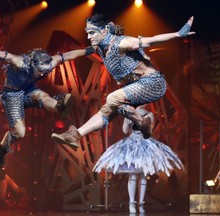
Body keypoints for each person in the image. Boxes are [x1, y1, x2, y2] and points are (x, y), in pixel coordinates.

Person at [51, 14, 195, 149]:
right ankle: (76, 135)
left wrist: (177, 34)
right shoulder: (99, 48)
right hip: (134, 87)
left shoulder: (122, 43)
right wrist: (60, 58)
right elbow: (79, 52)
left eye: (92, 32)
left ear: (104, 30)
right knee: (108, 110)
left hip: (153, 83)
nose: (88, 36)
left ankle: (144, 125)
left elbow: (151, 40)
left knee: (113, 98)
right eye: (87, 32)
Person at [0, 41, 94, 168]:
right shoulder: (19, 62)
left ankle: (58, 104)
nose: (42, 73)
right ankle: (1, 148)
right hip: (12, 95)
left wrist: (87, 51)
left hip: (30, 91)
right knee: (20, 133)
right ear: (32, 64)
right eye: (40, 70)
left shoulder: (49, 63)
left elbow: (67, 55)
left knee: (42, 96)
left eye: (44, 71)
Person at [93, 105, 184, 213]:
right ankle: (134, 204)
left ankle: (139, 204)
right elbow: (126, 130)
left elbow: (140, 130)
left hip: (144, 145)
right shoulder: (137, 115)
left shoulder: (148, 115)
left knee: (141, 174)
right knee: (136, 175)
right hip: (133, 145)